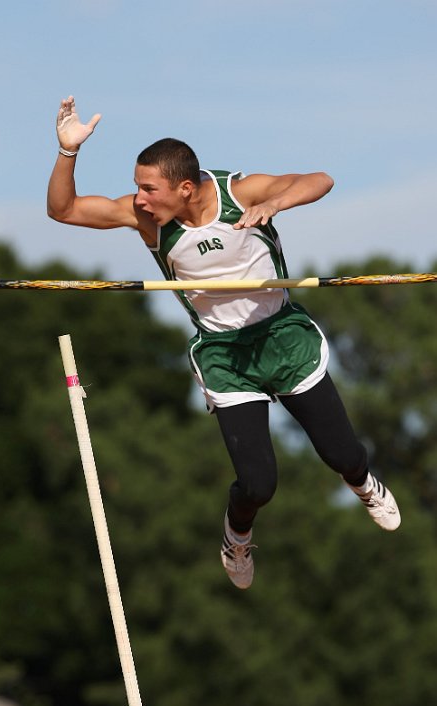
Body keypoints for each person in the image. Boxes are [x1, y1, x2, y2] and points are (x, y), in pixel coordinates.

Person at [47, 96, 401, 590]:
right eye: (137, 189)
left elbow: (320, 179)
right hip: (225, 355)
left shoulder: (239, 190)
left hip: (283, 338)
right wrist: (68, 152)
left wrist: (276, 203)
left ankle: (363, 485)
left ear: (186, 187)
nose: (140, 198)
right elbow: (63, 210)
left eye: (149, 188)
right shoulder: (147, 219)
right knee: (258, 483)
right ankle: (236, 538)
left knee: (344, 455)